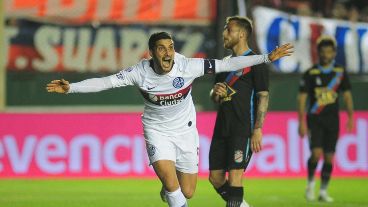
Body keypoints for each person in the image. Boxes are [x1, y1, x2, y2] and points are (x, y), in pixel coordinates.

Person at [46, 32, 293, 207]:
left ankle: (168, 190)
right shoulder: (139, 72)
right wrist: (72, 88)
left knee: (187, 191)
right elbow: (105, 82)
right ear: (151, 53)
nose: (168, 53)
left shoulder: (188, 66)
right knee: (171, 181)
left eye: (171, 47)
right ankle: (168, 185)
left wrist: (266, 58)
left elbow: (225, 63)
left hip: (185, 131)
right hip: (156, 130)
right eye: (162, 48)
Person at [208, 16, 269, 207]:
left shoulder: (255, 62)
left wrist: (258, 129)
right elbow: (215, 96)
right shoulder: (223, 63)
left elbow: (263, 96)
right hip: (221, 128)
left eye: (228, 30)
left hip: (242, 129)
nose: (224, 33)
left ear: (241, 34)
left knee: (235, 178)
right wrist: (215, 93)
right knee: (215, 178)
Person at [297, 35, 354, 202]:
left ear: (334, 53)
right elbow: (302, 98)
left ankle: (323, 191)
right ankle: (309, 184)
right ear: (318, 52)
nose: (326, 55)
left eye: (329, 52)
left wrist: (351, 117)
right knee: (316, 154)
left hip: (332, 120)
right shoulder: (310, 73)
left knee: (329, 157)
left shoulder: (340, 73)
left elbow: (348, 96)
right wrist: (301, 122)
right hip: (315, 119)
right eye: (323, 52)